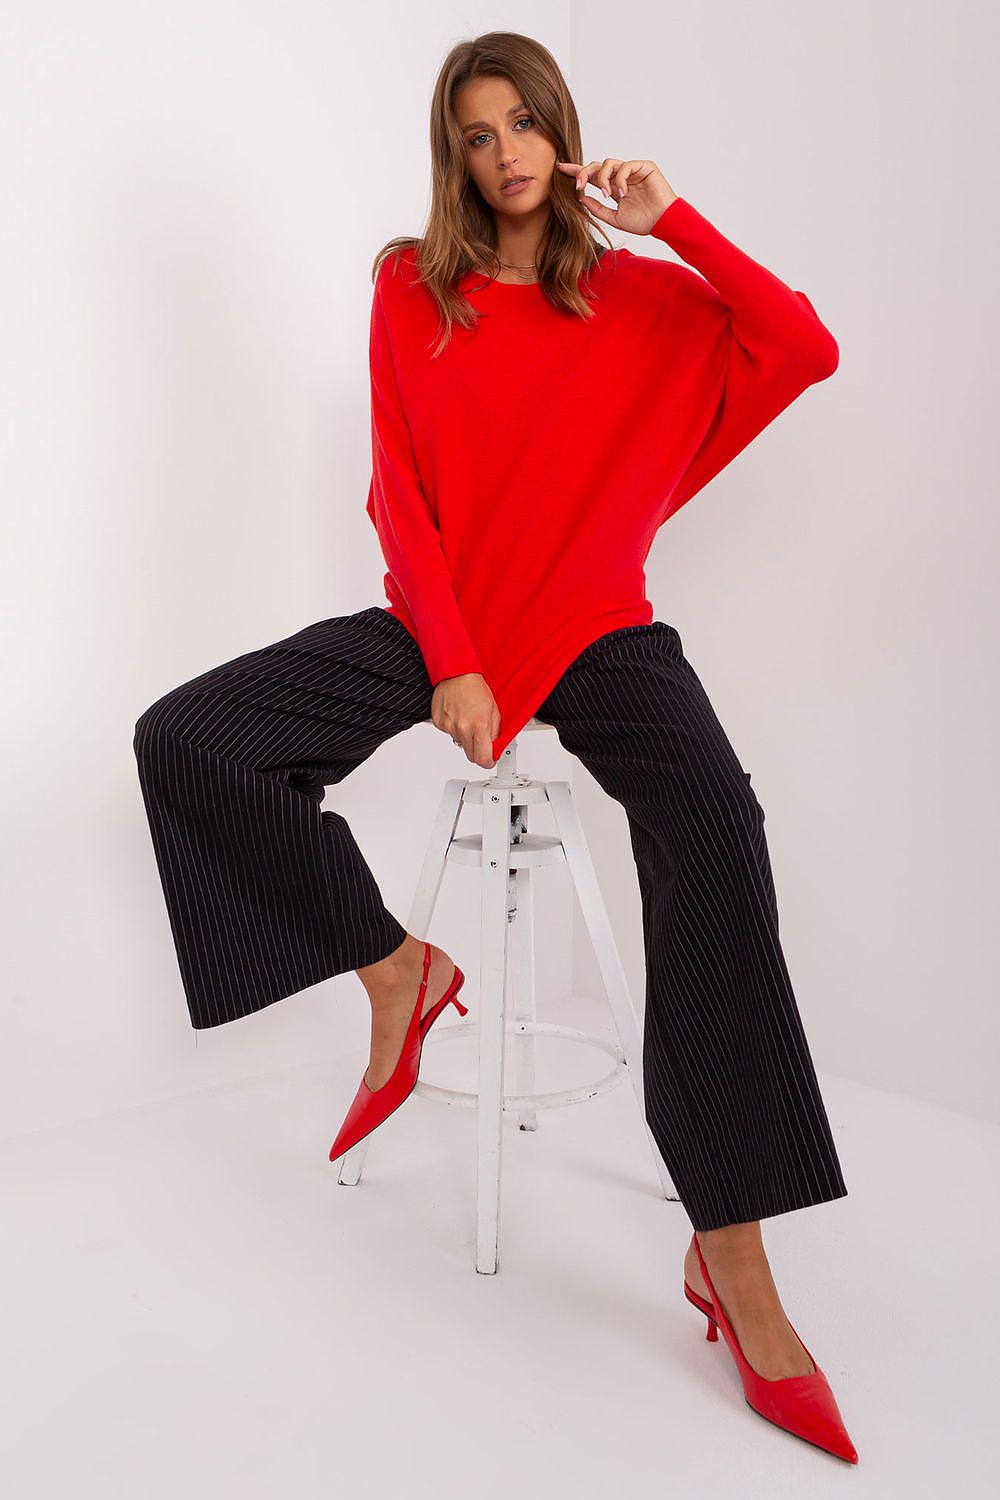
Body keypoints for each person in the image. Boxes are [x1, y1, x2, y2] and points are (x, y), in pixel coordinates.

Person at [133, 31, 858, 1463]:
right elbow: (398, 483)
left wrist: (678, 223)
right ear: (453, 155)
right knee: (187, 739)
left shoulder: (645, 302)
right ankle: (399, 969)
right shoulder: (415, 287)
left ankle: (737, 1259)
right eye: (479, 132)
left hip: (598, 626)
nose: (508, 150)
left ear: (565, 134)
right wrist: (451, 657)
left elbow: (804, 348)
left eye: (529, 122)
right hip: (446, 617)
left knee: (718, 822)